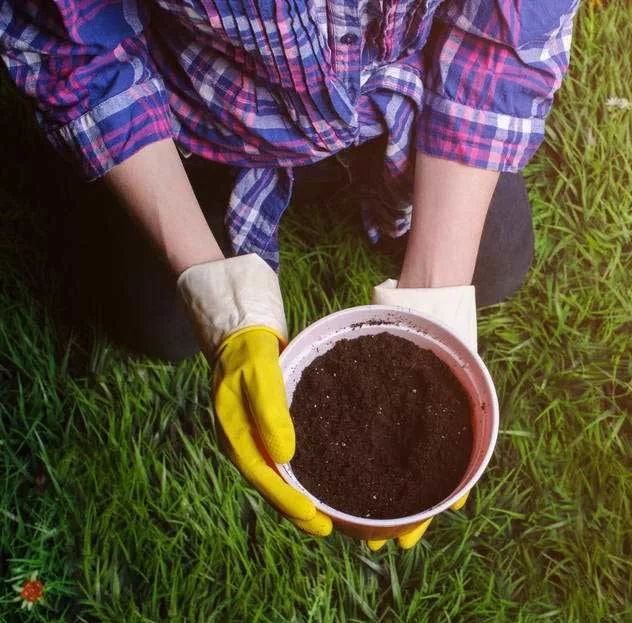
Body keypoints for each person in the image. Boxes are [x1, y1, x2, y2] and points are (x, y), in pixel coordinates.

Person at [1, 0, 580, 548]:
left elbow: (503, 38)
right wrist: (217, 295)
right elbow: (74, 47)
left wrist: (435, 298)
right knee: (156, 323)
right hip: (208, 117)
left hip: (403, 97)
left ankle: (360, 184)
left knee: (497, 263)